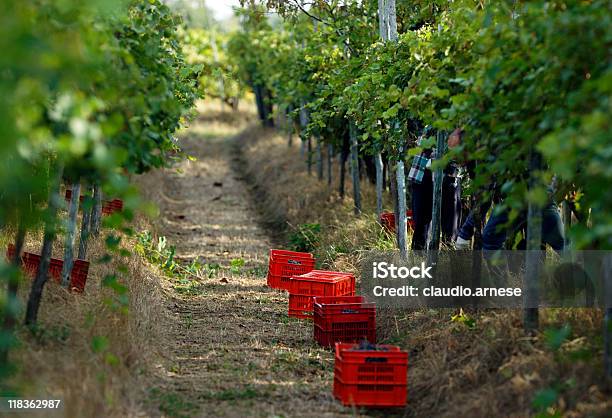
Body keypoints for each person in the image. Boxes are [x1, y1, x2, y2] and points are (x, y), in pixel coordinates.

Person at [408, 127, 462, 250]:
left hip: (450, 172)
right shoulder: (425, 117)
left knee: (450, 227)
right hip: (422, 170)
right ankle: (418, 264)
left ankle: (451, 265)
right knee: (421, 225)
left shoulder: (460, 115)